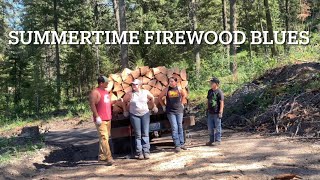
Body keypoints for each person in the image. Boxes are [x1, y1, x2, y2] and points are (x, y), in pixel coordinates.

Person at [89, 75, 124, 166]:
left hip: (108, 118)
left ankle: (101, 156)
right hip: (101, 119)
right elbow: (92, 104)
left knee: (105, 137)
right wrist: (97, 116)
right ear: (101, 83)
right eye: (106, 82)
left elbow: (107, 103)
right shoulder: (95, 92)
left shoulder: (105, 92)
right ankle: (109, 158)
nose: (108, 83)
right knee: (104, 137)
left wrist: (115, 101)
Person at [123, 79, 158, 160]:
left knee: (145, 133)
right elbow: (124, 101)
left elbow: (152, 97)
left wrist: (153, 106)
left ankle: (146, 151)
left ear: (139, 85)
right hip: (134, 115)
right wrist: (125, 111)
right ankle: (140, 153)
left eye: (135, 84)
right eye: (133, 85)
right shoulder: (130, 94)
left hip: (145, 114)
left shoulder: (145, 92)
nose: (134, 86)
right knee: (138, 135)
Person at [159, 77, 187, 152]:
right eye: (169, 81)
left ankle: (182, 144)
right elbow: (159, 97)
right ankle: (177, 145)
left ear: (175, 82)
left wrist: (182, 103)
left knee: (180, 126)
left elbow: (184, 95)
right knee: (174, 127)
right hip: (170, 112)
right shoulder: (166, 89)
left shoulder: (179, 88)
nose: (170, 83)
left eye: (172, 81)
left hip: (179, 110)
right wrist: (163, 106)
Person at [206, 77, 224, 146]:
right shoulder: (209, 91)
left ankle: (218, 140)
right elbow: (208, 101)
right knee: (210, 127)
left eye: (212, 83)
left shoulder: (219, 92)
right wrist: (207, 109)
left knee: (217, 127)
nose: (210, 84)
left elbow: (222, 102)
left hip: (216, 112)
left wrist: (220, 112)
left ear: (216, 84)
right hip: (210, 112)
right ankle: (211, 140)